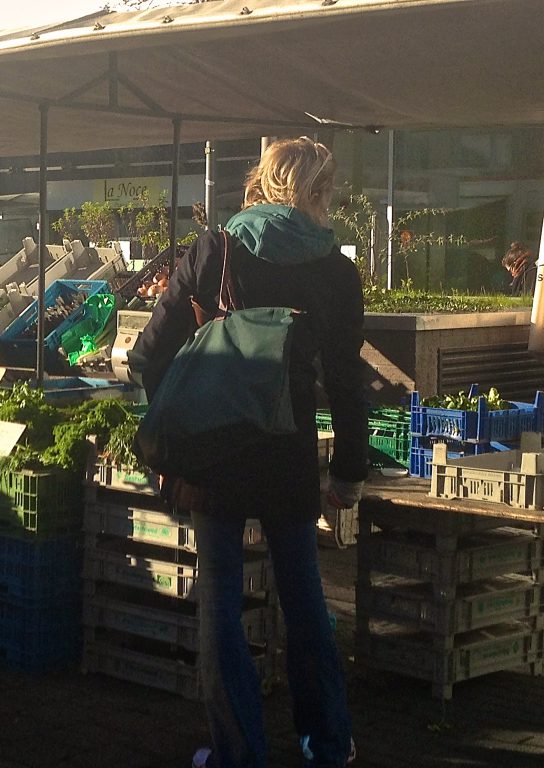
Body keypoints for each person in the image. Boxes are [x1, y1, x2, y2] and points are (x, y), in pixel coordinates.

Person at [131, 138, 366, 768]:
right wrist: (348, 472)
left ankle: (238, 754)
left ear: (263, 183)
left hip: (214, 452)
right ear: (320, 191)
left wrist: (172, 441)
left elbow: (151, 353)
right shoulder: (337, 269)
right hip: (288, 448)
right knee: (303, 593)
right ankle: (328, 741)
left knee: (222, 602)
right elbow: (347, 378)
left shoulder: (217, 247)